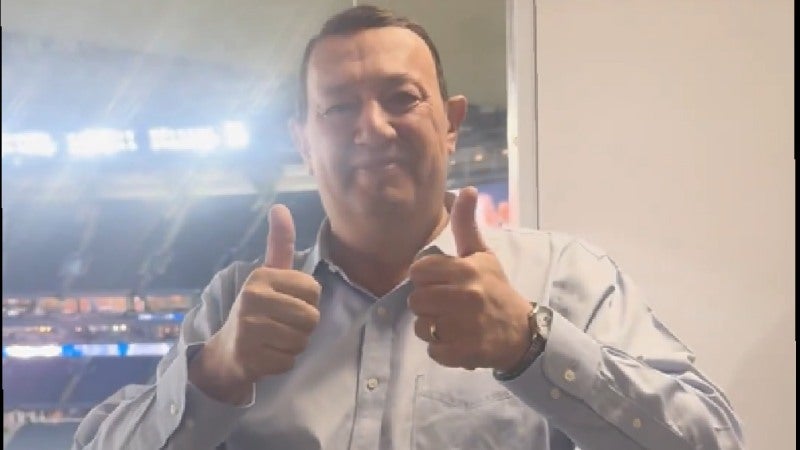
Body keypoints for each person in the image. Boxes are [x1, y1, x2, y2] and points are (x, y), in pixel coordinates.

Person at [72, 5, 744, 450]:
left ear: (451, 124)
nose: (372, 128)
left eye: (402, 98)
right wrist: (217, 371)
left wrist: (533, 346)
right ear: (303, 142)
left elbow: (714, 438)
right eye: (339, 108)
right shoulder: (237, 304)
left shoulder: (566, 278)